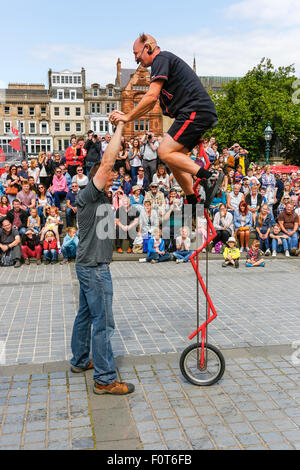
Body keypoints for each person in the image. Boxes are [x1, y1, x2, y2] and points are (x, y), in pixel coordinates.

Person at [109, 33, 223, 213]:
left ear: (148, 47)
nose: (136, 58)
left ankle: (210, 177)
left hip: (195, 110)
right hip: (192, 113)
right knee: (173, 159)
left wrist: (127, 117)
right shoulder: (160, 66)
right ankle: (193, 200)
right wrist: (129, 114)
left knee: (163, 151)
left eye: (136, 53)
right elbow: (149, 104)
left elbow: (151, 96)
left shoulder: (161, 59)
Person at [70, 122, 135, 396]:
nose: (113, 180)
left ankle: (81, 360)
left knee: (86, 315)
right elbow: (107, 162)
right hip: (95, 269)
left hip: (89, 266)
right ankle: (105, 379)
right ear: (99, 177)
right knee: (104, 323)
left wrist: (126, 218)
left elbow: (108, 230)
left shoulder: (101, 201)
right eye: (109, 178)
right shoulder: (90, 193)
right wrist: (121, 127)